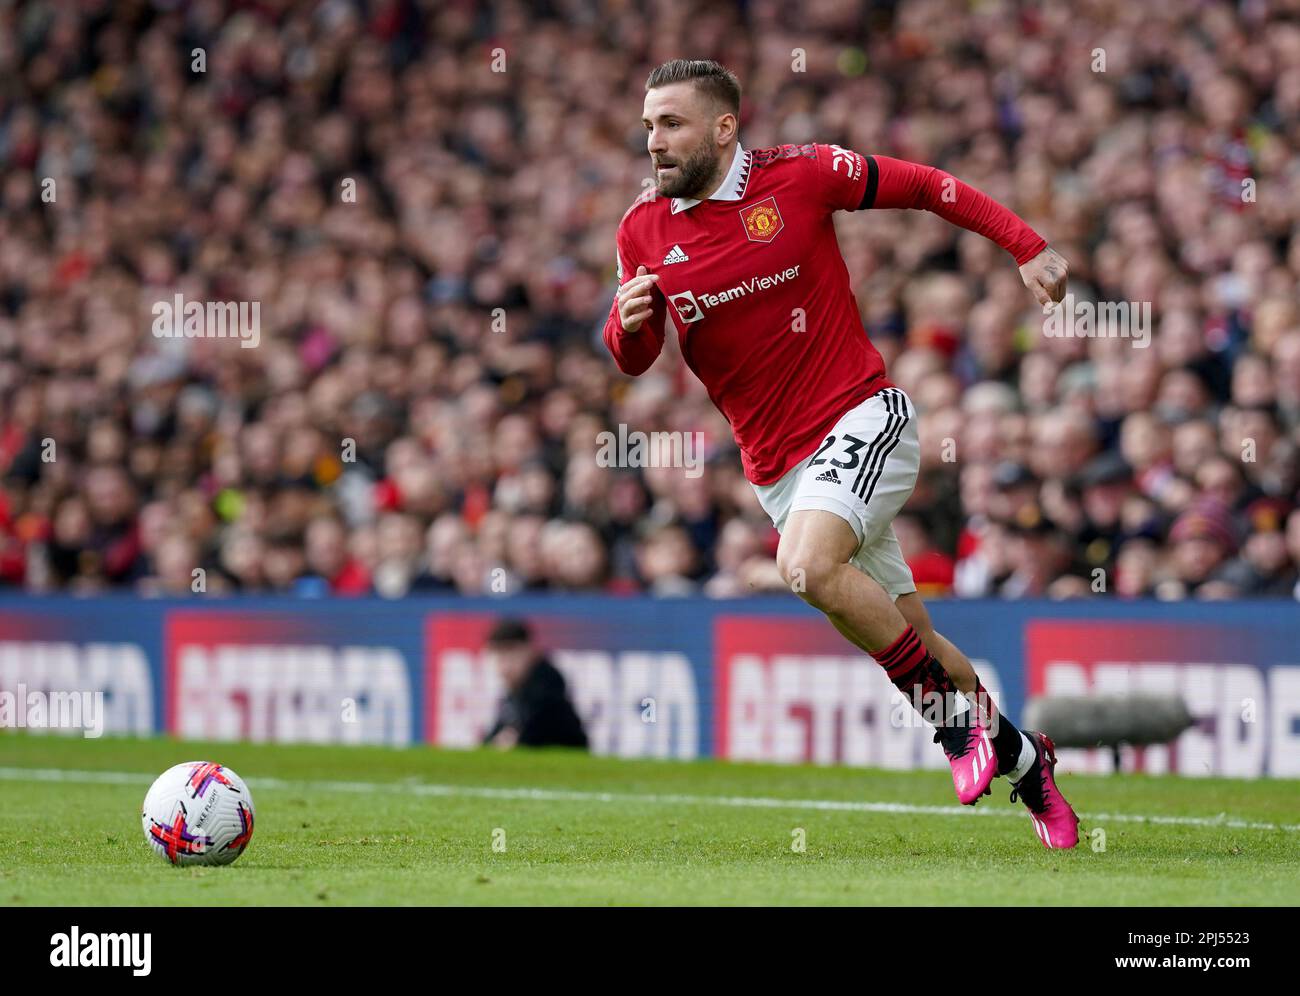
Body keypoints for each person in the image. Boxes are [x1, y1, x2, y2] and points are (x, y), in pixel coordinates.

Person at [603, 59, 1078, 848]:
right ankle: (1028, 762)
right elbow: (634, 356)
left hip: (863, 416)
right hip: (781, 472)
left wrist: (1026, 246)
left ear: (724, 127)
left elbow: (927, 185)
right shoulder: (641, 229)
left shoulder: (803, 175)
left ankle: (953, 731)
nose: (653, 139)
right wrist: (627, 319)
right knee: (915, 636)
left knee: (804, 567)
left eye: (671, 123)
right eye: (649, 123)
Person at [481, 618, 589, 750]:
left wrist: (514, 739)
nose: (505, 665)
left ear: (529, 650)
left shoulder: (547, 683)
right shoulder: (515, 689)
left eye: (511, 654)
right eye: (499, 656)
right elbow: (496, 733)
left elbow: (534, 729)